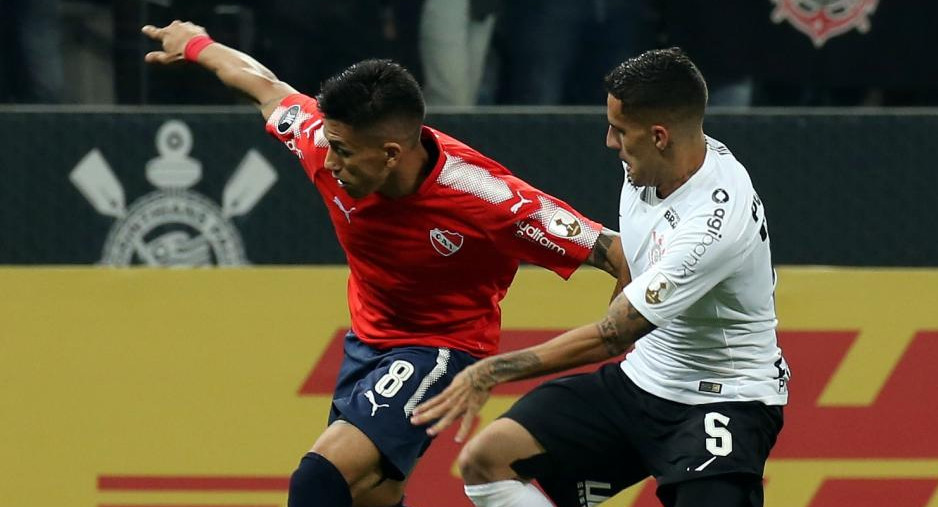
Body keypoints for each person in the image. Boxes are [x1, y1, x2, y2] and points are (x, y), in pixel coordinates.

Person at [141, 20, 628, 507]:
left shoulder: (487, 197)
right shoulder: (321, 141)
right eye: (331, 144)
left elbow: (617, 253)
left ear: (391, 153)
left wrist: (623, 357)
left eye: (345, 152)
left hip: (441, 348)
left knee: (318, 479)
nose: (329, 162)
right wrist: (197, 45)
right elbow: (263, 85)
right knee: (371, 494)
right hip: (367, 343)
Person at [411, 47, 790, 507]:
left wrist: (492, 370)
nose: (610, 141)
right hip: (642, 381)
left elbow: (614, 335)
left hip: (726, 399)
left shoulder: (712, 225)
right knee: (488, 461)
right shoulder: (649, 165)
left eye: (619, 130)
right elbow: (634, 251)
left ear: (659, 135)